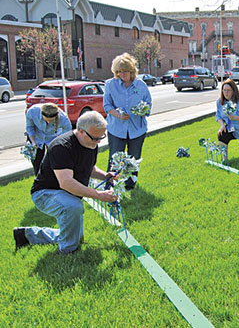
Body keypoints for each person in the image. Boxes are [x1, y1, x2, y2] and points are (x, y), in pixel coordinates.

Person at [13, 111, 118, 254]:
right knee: (73, 206)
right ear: (81, 131)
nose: (98, 142)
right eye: (95, 138)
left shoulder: (91, 143)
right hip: (45, 193)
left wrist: (105, 176)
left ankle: (26, 235)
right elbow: (66, 183)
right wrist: (98, 195)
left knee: (75, 236)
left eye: (101, 137)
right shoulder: (61, 146)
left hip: (67, 193)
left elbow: (89, 168)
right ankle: (68, 251)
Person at [103, 53, 152, 190]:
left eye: (124, 71)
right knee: (115, 160)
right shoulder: (110, 84)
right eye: (118, 71)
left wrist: (143, 111)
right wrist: (118, 115)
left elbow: (148, 103)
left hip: (137, 130)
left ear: (131, 70)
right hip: (116, 129)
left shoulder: (140, 85)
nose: (121, 74)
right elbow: (107, 106)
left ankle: (130, 185)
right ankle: (110, 186)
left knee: (134, 159)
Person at [25, 102, 72, 175]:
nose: (48, 122)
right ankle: (38, 180)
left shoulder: (64, 118)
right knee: (37, 161)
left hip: (53, 138)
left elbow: (67, 136)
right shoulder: (32, 112)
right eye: (46, 120)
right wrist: (33, 142)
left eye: (51, 120)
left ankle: (52, 179)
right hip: (37, 137)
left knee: (54, 160)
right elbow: (29, 127)